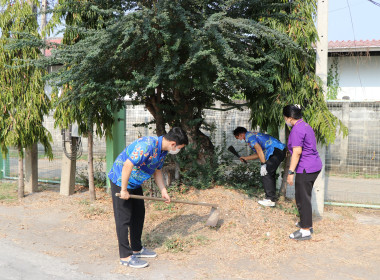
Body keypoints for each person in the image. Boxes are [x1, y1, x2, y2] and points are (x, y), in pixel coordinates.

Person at [108, 127, 188, 268]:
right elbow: (127, 165)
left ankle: (136, 249)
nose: (178, 150)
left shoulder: (162, 151)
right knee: (124, 218)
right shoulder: (146, 146)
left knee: (139, 214)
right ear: (173, 144)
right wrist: (124, 189)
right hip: (121, 180)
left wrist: (163, 190)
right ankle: (125, 256)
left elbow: (157, 171)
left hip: (135, 182)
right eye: (180, 147)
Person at [283, 105, 322, 241]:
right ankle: (306, 223)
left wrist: (291, 172)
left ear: (289, 117)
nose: (285, 120)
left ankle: (305, 230)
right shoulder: (305, 125)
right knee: (305, 197)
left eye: (285, 118)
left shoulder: (296, 129)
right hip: (314, 165)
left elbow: (297, 152)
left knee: (302, 198)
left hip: (306, 167)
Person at [233, 127, 286, 207]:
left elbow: (259, 150)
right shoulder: (252, 136)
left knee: (266, 172)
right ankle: (271, 198)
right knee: (269, 173)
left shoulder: (249, 137)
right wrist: (246, 158)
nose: (240, 140)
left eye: (238, 138)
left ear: (241, 134)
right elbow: (259, 153)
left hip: (276, 151)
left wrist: (263, 164)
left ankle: (270, 199)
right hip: (277, 150)